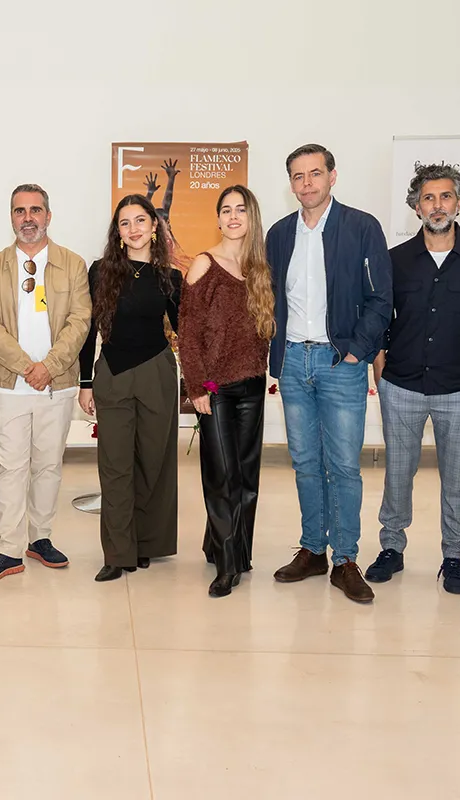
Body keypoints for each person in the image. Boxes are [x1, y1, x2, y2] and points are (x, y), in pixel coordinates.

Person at [365, 165, 460, 595]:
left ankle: (454, 556)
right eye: (428, 198)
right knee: (397, 475)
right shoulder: (395, 260)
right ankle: (392, 548)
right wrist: (381, 372)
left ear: (459, 203)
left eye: (446, 197)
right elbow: (379, 319)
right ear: (416, 207)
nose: (437, 205)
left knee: (457, 479)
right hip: (401, 385)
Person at [266, 144, 392, 604]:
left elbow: (381, 298)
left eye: (315, 173)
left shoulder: (361, 227)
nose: (307, 184)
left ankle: (346, 559)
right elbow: (269, 297)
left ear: (332, 176)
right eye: (298, 176)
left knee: (342, 465)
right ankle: (313, 550)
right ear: (291, 183)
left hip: (340, 362)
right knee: (304, 462)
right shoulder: (280, 233)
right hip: (293, 362)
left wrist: (357, 352)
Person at [0, 184, 91, 582]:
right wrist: (28, 367)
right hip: (11, 385)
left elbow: (80, 321)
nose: (28, 218)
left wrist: (49, 367)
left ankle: (40, 538)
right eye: (19, 211)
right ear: (11, 217)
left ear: (48, 216)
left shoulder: (72, 264)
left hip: (58, 384)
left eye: (35, 210)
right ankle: (7, 549)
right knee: (10, 468)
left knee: (48, 466)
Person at [78, 195, 182, 582]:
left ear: (154, 226)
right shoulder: (100, 271)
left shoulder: (170, 277)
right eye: (125, 222)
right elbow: (89, 329)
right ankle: (118, 553)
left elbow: (185, 330)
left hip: (156, 372)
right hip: (113, 372)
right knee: (115, 466)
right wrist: (85, 382)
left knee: (154, 462)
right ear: (117, 232)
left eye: (140, 220)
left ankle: (146, 544)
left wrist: (202, 378)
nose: (133, 228)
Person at [179, 185, 276, 598]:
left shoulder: (259, 270)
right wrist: (197, 386)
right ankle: (227, 564)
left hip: (252, 383)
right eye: (226, 210)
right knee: (223, 476)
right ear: (218, 219)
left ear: (251, 217)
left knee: (247, 476)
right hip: (215, 388)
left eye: (241, 210)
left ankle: (234, 548)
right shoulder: (204, 264)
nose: (233, 216)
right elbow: (188, 333)